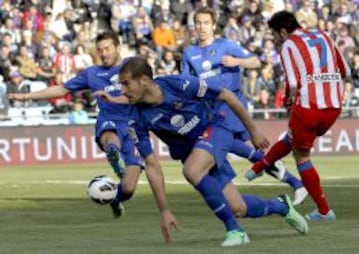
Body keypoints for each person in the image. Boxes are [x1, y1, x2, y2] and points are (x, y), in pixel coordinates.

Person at [96, 57, 309, 247]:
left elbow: (225, 95)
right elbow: (151, 164)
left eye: (126, 84)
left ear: (143, 80)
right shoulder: (136, 119)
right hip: (198, 150)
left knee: (192, 171)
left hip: (217, 127)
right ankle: (281, 206)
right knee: (237, 207)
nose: (122, 91)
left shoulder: (178, 84)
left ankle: (236, 231)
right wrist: (164, 211)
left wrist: (253, 131)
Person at [7, 32, 178, 239]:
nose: (103, 54)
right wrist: (26, 96)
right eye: (99, 50)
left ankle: (115, 199)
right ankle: (113, 152)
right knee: (110, 137)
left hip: (133, 127)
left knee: (129, 188)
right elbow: (62, 89)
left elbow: (153, 88)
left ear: (117, 47)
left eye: (107, 48)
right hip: (109, 121)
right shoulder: (92, 74)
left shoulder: (131, 68)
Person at [181, 6, 307, 205]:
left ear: (213, 25)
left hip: (233, 106)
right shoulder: (190, 53)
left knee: (228, 143)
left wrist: (236, 61)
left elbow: (256, 62)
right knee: (252, 153)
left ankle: (290, 181)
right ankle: (296, 183)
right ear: (194, 27)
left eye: (206, 23)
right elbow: (186, 83)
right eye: (198, 23)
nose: (202, 27)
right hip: (211, 110)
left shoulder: (226, 46)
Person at [248, 11, 351, 221]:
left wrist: (288, 100)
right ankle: (258, 167)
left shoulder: (289, 44)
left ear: (283, 31)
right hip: (333, 106)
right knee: (293, 139)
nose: (276, 39)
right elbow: (345, 71)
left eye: (275, 35)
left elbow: (293, 84)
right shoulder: (324, 35)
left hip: (309, 106)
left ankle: (324, 211)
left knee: (301, 155)